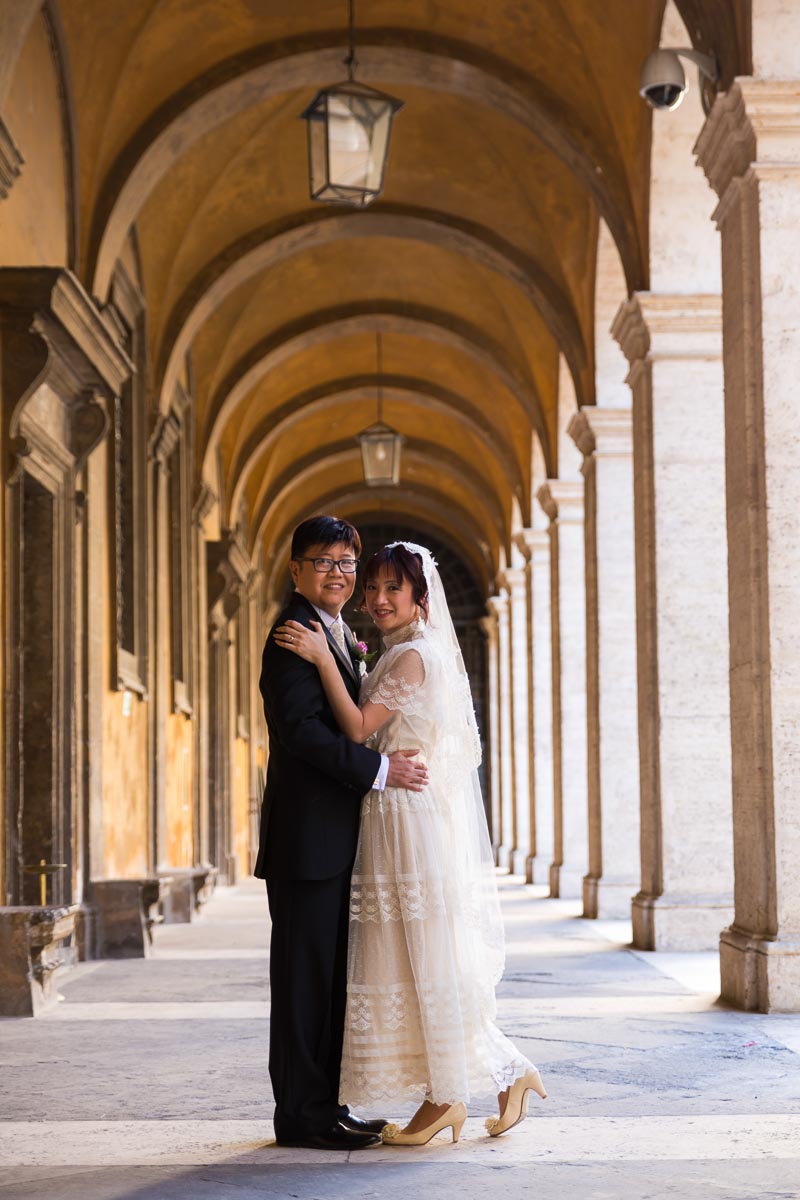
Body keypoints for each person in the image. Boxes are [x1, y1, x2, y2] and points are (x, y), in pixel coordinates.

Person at [274, 540, 546, 1147]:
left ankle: (452, 1093)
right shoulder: (404, 652)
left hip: (401, 815)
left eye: (392, 588)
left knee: (423, 957)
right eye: (371, 588)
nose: (377, 599)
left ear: (422, 597)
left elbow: (356, 726)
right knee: (419, 956)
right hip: (391, 810)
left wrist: (322, 657)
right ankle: (497, 1076)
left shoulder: (412, 657)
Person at [255, 516, 429, 1151]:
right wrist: (381, 770)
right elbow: (303, 734)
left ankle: (326, 1105)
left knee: (330, 981)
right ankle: (300, 1115)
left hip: (335, 839)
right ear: (296, 569)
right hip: (307, 841)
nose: (338, 573)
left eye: (346, 563)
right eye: (324, 561)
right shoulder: (292, 633)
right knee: (304, 982)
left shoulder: (336, 633)